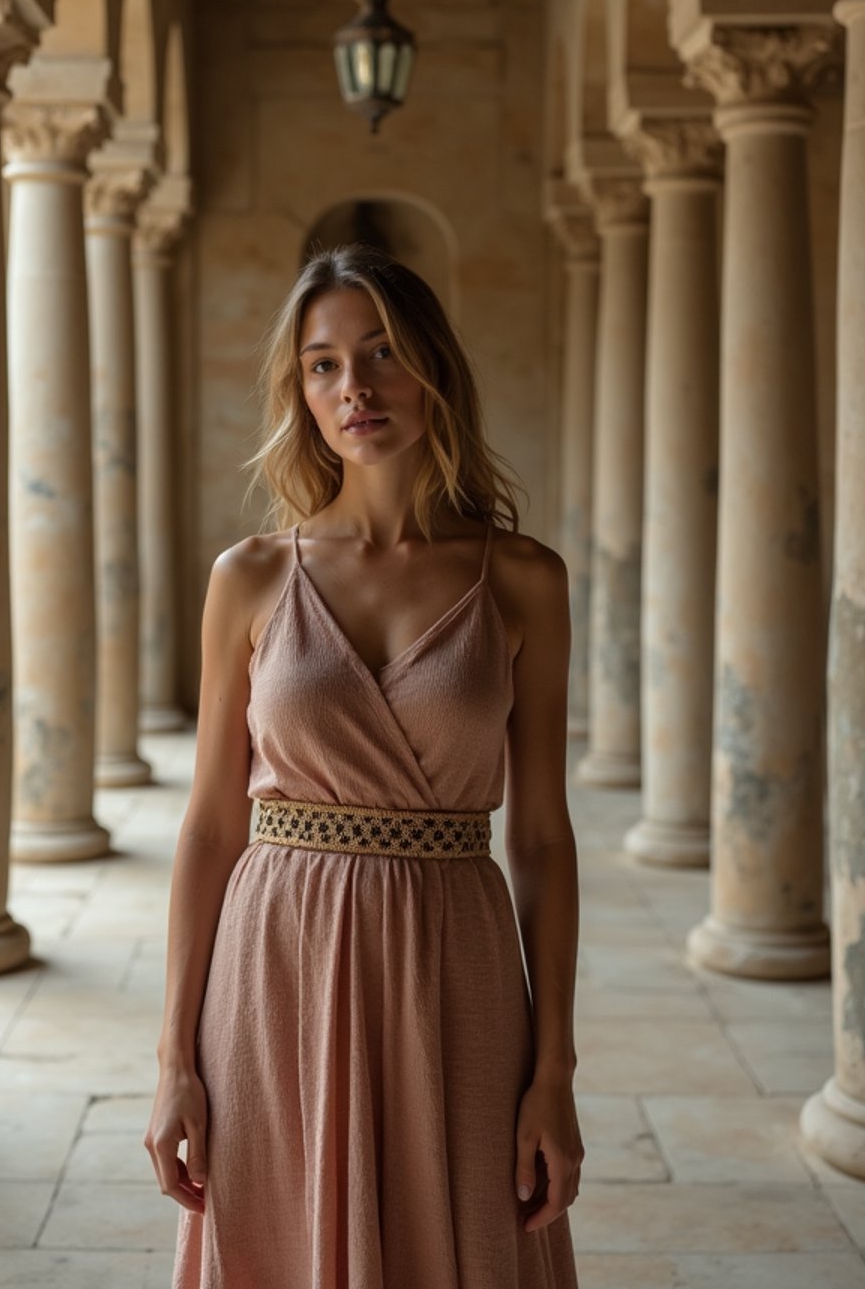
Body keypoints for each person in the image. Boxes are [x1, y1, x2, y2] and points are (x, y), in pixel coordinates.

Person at [145, 242, 583, 1288]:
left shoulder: (522, 579)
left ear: (432, 364)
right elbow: (209, 825)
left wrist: (554, 1069)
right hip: (276, 966)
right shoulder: (248, 578)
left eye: (382, 352)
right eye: (323, 364)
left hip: (457, 967)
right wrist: (172, 1061)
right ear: (300, 391)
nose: (356, 388)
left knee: (464, 1241)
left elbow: (541, 836)